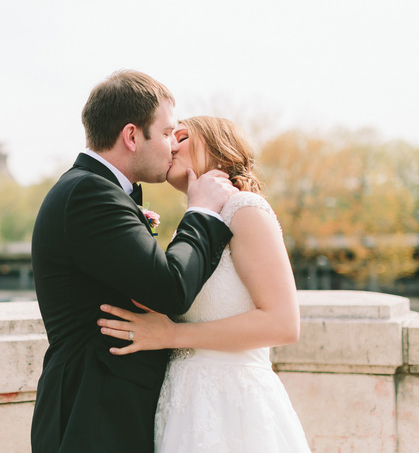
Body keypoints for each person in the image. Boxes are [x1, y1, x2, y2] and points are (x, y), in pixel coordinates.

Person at [30, 72, 238, 452]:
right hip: (92, 415)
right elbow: (171, 291)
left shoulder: (93, 189)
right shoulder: (89, 194)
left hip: (105, 406)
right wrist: (201, 213)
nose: (172, 146)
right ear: (131, 136)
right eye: (165, 133)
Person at [98, 116, 310, 452]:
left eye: (179, 136)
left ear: (216, 145)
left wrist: (170, 335)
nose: (169, 145)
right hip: (181, 406)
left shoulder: (245, 210)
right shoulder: (198, 221)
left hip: (235, 409)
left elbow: (283, 323)